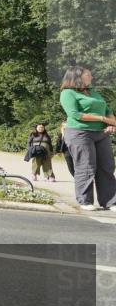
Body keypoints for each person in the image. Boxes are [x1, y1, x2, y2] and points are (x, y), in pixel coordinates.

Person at [59, 66, 116, 212]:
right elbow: (75, 114)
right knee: (86, 166)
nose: (91, 77)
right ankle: (85, 200)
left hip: (101, 133)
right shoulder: (67, 93)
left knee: (107, 166)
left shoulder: (93, 92)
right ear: (77, 77)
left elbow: (108, 111)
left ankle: (110, 202)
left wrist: (112, 124)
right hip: (80, 133)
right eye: (88, 75)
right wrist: (102, 119)